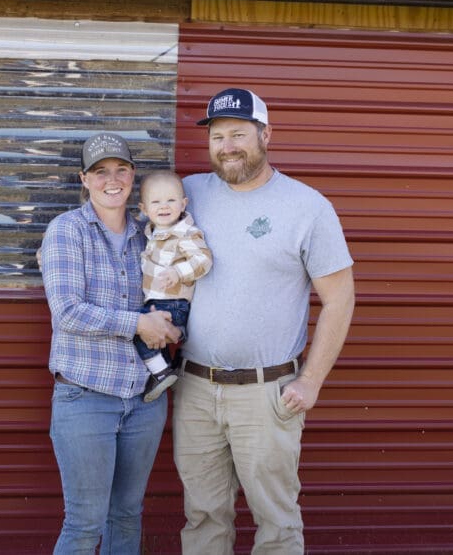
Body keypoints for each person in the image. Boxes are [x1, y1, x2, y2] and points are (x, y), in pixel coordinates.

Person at [173, 88, 356, 554]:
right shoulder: (187, 193)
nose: (227, 146)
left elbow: (339, 299)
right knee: (202, 518)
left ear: (266, 135)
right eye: (217, 137)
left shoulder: (306, 206)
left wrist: (312, 380)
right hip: (194, 388)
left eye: (238, 134)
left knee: (276, 522)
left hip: (266, 393)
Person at [39, 131, 182, 554]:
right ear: (84, 179)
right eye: (100, 172)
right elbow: (67, 311)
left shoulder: (150, 234)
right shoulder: (67, 231)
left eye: (121, 170)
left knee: (127, 514)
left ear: (133, 176)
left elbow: (174, 290)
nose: (112, 180)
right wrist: (138, 324)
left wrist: (173, 325)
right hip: (85, 398)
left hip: (144, 399)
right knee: (84, 522)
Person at [133, 170, 213, 403]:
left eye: (171, 200)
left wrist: (178, 272)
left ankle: (160, 372)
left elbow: (203, 259)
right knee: (149, 333)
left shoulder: (185, 234)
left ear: (183, 203)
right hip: (158, 301)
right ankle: (168, 367)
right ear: (144, 209)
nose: (164, 206)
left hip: (174, 303)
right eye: (156, 202)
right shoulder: (152, 233)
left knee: (137, 325)